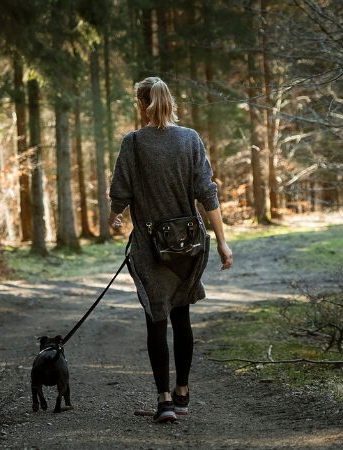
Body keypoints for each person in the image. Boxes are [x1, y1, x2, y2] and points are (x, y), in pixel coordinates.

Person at [109, 76, 233, 423]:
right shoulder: (190, 138)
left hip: (150, 246)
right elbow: (207, 192)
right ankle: (182, 392)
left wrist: (113, 217)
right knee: (182, 316)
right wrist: (222, 241)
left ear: (141, 104)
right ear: (170, 102)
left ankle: (164, 400)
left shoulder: (133, 143)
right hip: (189, 244)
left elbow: (120, 192)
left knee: (156, 319)